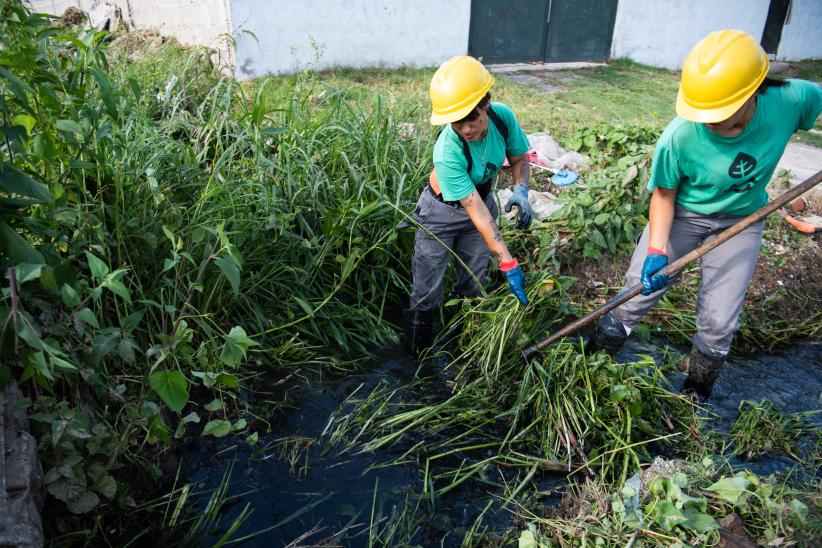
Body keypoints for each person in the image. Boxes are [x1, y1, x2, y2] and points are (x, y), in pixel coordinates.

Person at [589, 29, 822, 399]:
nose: (708, 121)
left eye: (720, 112)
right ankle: (590, 365)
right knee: (635, 294)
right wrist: (656, 250)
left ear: (753, 91)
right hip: (682, 215)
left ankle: (694, 394)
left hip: (740, 222)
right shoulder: (680, 136)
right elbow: (664, 195)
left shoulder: (791, 100)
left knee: (718, 322)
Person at [405, 55, 533, 359]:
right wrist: (508, 261)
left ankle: (461, 347)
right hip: (441, 213)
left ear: (485, 103)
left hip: (482, 203)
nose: (465, 129)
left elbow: (520, 157)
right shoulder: (447, 151)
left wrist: (522, 190)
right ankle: (417, 360)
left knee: (475, 283)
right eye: (456, 121)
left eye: (471, 117)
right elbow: (474, 208)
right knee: (427, 288)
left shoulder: (503, 119)